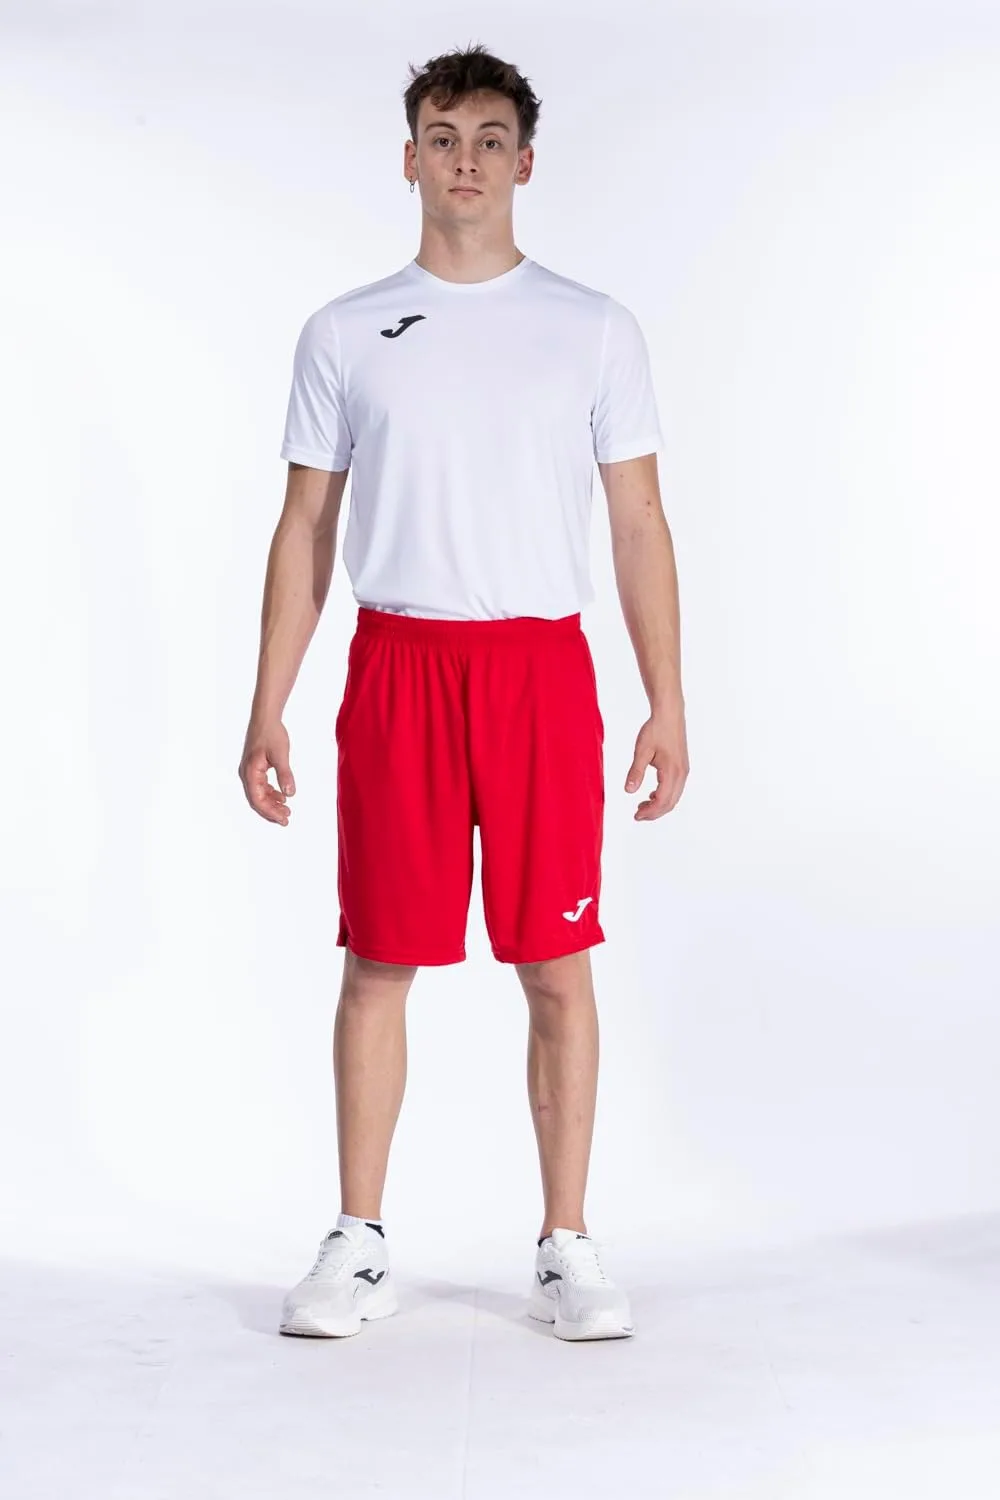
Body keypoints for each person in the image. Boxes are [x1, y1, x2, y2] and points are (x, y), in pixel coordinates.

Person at [238, 43, 689, 1343]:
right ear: (410, 159)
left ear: (526, 163)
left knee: (556, 962)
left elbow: (640, 522)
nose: (467, 161)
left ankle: (567, 1242)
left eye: (491, 139)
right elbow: (305, 526)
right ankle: (358, 1238)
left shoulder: (593, 328)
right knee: (380, 958)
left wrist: (667, 701)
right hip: (400, 663)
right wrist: (267, 702)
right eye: (444, 138)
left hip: (539, 669)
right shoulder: (345, 331)